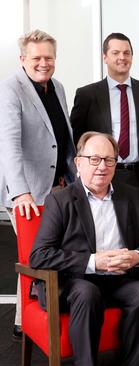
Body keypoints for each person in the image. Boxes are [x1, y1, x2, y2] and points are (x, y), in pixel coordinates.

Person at [30, 132, 139, 366]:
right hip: (74, 280)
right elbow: (39, 255)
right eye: (94, 159)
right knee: (87, 293)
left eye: (109, 160)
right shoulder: (60, 200)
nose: (102, 166)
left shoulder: (130, 195)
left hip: (118, 279)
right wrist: (93, 262)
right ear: (78, 162)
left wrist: (136, 256)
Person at [0, 29, 76, 340]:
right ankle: (25, 321)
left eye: (49, 57)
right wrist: (20, 192)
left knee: (46, 253)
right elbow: (9, 144)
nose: (43, 63)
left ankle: (32, 316)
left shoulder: (56, 86)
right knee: (33, 256)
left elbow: (64, 138)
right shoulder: (10, 89)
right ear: (23, 59)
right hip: (28, 193)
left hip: (58, 186)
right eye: (36, 58)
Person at [70, 32, 139, 211]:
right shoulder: (87, 94)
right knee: (102, 227)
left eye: (126, 53)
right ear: (105, 57)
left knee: (137, 230)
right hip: (100, 174)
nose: (122, 57)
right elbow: (77, 136)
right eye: (116, 53)